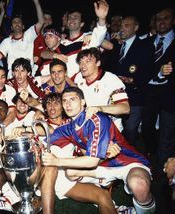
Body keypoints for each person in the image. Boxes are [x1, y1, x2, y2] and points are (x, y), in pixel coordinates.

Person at [42, 87, 156, 214]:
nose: (68, 104)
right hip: (103, 164)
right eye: (64, 101)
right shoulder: (68, 127)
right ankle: (108, 189)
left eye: (72, 99)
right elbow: (49, 136)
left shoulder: (96, 119)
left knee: (139, 185)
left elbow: (92, 161)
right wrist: (27, 131)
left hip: (125, 162)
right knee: (71, 172)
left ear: (82, 102)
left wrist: (57, 161)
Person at [102, 16, 154, 147]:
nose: (122, 28)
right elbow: (106, 66)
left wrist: (133, 79)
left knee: (130, 130)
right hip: (115, 97)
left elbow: (149, 71)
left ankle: (131, 157)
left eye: (126, 25)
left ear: (135, 28)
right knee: (113, 129)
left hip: (134, 96)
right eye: (121, 25)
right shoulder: (116, 46)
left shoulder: (144, 46)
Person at [141, 7, 175, 172]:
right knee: (147, 126)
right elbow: (142, 68)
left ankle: (163, 168)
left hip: (170, 93)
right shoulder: (147, 42)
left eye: (166, 18)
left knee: (167, 131)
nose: (162, 22)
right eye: (159, 18)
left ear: (173, 21)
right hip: (150, 92)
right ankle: (152, 153)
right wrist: (158, 72)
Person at [40, 0, 109, 78]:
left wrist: (102, 19)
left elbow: (99, 35)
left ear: (82, 23)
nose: (72, 19)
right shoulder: (61, 41)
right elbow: (44, 53)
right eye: (70, 17)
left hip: (76, 85)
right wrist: (54, 55)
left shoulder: (87, 40)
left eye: (75, 17)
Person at [73, 47, 130, 131]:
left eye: (87, 61)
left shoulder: (111, 80)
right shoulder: (78, 78)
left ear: (98, 63)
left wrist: (99, 109)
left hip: (109, 130)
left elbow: (125, 108)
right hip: (86, 128)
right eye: (81, 62)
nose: (83, 65)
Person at [0, 0, 44, 78]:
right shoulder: (7, 41)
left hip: (28, 76)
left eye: (19, 22)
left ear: (23, 26)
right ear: (11, 27)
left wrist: (36, 2)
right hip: (13, 77)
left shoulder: (29, 34)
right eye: (14, 22)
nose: (17, 23)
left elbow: (41, 22)